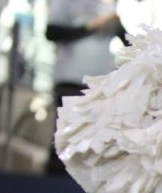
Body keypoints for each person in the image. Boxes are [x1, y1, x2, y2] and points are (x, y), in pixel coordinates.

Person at [45, 0, 126, 174]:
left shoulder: (108, 4)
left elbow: (128, 42)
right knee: (65, 139)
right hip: (70, 77)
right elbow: (51, 32)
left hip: (99, 83)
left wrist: (118, 25)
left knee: (92, 142)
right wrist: (91, 26)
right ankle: (53, 182)